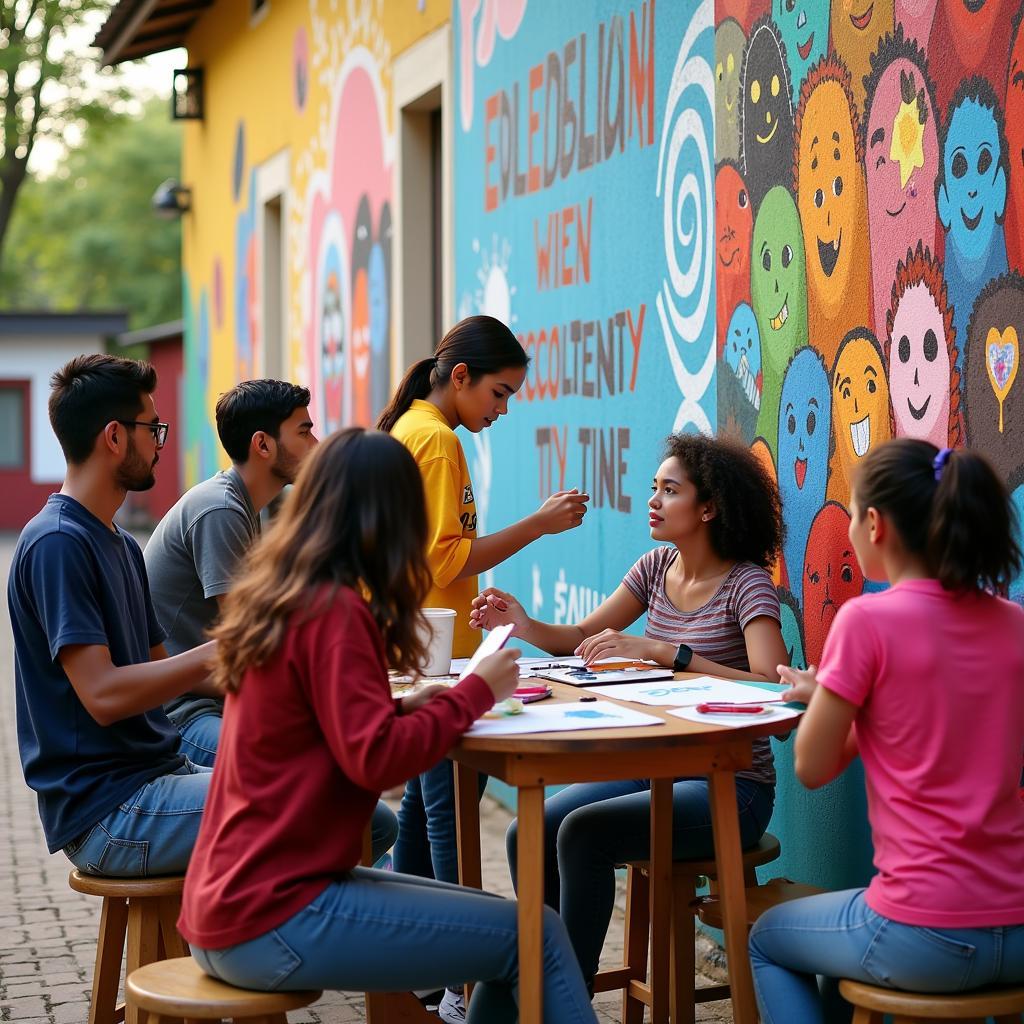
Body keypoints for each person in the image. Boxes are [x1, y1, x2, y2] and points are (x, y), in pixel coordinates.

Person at [178, 428, 598, 1024]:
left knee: (529, 934)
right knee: (534, 936)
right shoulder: (334, 611)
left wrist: (404, 706)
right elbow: (375, 762)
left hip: (235, 903)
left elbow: (321, 729)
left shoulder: (290, 595)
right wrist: (477, 692)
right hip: (272, 915)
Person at [470, 432, 788, 985]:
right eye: (653, 488)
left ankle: (562, 995)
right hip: (655, 772)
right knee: (529, 830)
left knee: (582, 834)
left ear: (709, 508)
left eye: (670, 490)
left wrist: (668, 653)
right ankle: (545, 980)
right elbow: (578, 637)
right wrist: (521, 625)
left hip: (732, 787)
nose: (654, 501)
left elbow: (773, 689)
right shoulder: (655, 567)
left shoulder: (747, 585)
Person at [749, 439, 1024, 1023]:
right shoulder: (1013, 624)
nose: (846, 528)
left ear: (875, 525)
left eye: (849, 513)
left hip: (925, 932)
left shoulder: (866, 622)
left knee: (768, 939)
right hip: (1018, 925)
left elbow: (814, 767)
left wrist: (830, 698)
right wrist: (840, 696)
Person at [378, 315, 590, 1022]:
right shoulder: (436, 441)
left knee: (426, 808)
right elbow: (444, 560)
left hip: (423, 644)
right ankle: (458, 982)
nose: (502, 411)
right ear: (460, 377)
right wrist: (539, 523)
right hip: (434, 654)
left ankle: (403, 968)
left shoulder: (415, 428)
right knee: (448, 812)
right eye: (498, 394)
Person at [7, 354, 217, 876]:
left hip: (158, 774)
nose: (159, 443)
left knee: (362, 812)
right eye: (153, 428)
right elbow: (102, 697)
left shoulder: (120, 542)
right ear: (114, 437)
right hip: (109, 810)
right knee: (308, 804)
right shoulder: (58, 543)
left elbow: (160, 673)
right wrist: (214, 654)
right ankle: (250, 953)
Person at [145, 379, 317, 766]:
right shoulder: (220, 510)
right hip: (182, 714)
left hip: (217, 699)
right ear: (263, 445)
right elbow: (252, 640)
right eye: (305, 432)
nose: (316, 445)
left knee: (366, 813)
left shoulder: (246, 505)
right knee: (313, 766)